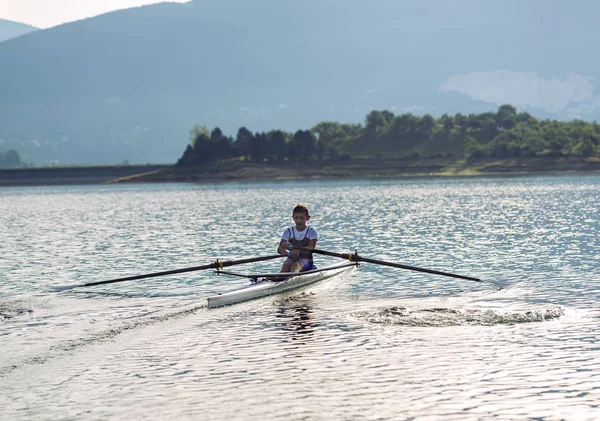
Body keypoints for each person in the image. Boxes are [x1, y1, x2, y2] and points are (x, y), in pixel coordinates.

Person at [277, 204, 318, 273]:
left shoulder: (312, 232)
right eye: (296, 218)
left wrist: (298, 251)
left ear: (307, 218)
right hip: (291, 258)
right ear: (293, 217)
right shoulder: (288, 231)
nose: (298, 221)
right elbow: (280, 249)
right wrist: (288, 253)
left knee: (295, 265)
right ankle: (275, 279)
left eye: (301, 218)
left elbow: (311, 248)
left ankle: (292, 280)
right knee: (285, 266)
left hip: (306, 260)